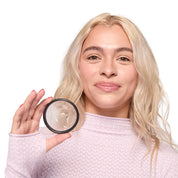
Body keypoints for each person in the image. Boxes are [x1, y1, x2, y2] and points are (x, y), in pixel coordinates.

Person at [5, 13, 178, 177]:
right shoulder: (42, 145)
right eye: (94, 57)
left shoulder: (167, 162)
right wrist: (18, 166)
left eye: (124, 58)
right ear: (77, 67)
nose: (108, 70)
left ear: (141, 70)